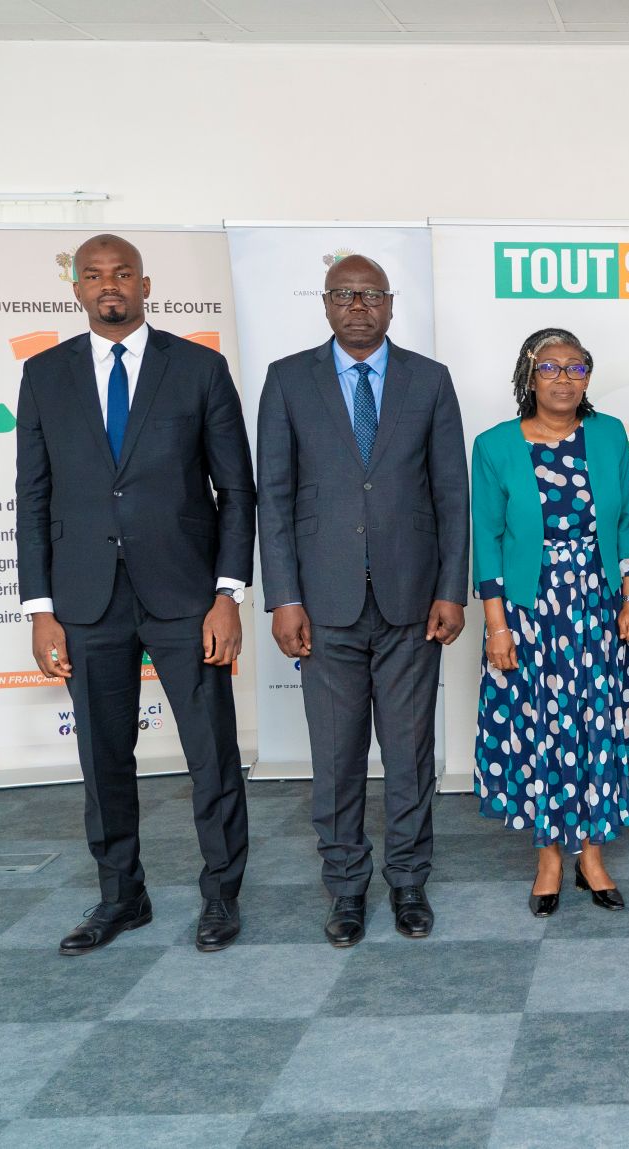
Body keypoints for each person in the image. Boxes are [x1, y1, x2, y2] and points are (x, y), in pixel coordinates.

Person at [15, 234, 255, 955]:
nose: (109, 285)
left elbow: (236, 490)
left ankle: (221, 895)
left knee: (211, 752)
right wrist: (40, 609)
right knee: (103, 758)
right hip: (86, 600)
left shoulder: (199, 368)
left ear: (145, 285)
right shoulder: (45, 374)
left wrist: (227, 593)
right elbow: (32, 497)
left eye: (122, 273)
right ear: (77, 290)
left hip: (187, 595)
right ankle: (122, 896)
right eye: (93, 275)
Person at [257, 255, 468, 948]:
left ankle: (407, 881)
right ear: (325, 303)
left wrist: (451, 589)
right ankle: (346, 888)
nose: (357, 305)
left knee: (409, 756)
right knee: (337, 757)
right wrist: (284, 597)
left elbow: (451, 494)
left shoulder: (429, 380)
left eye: (370, 294)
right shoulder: (288, 380)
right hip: (323, 606)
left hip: (412, 603)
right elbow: (274, 499)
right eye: (344, 294)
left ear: (390, 304)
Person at [471, 327, 629, 916]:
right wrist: (497, 628)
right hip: (528, 612)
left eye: (576, 367)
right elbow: (488, 541)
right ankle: (549, 858)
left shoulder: (608, 435)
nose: (564, 378)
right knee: (540, 729)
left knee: (597, 724)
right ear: (528, 375)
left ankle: (592, 856)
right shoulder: (494, 445)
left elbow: (627, 521)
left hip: (598, 605)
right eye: (549, 367)